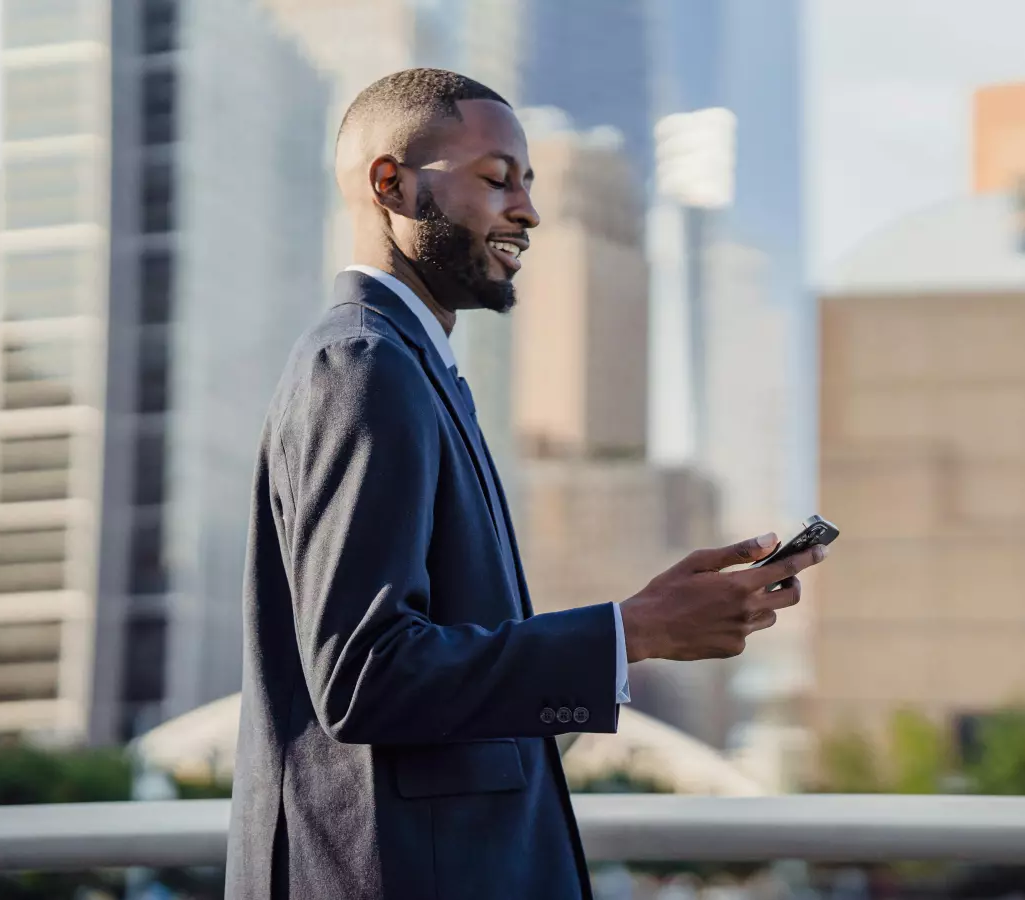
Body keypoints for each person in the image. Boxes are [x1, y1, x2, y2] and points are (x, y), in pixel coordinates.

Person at [225, 68, 827, 900]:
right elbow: (364, 674)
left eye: (530, 184)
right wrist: (630, 634)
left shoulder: (416, 371)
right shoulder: (362, 365)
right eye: (496, 178)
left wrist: (643, 616)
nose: (528, 211)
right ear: (389, 183)